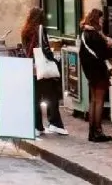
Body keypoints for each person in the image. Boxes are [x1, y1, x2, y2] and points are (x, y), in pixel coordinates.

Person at [22, 7, 68, 137]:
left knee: (36, 97)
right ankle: (55, 123)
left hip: (31, 67)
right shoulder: (40, 29)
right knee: (52, 96)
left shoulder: (25, 30)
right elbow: (45, 48)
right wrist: (53, 60)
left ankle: (37, 126)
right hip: (42, 66)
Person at [79, 8, 112, 143]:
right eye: (101, 19)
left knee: (93, 100)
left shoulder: (85, 33)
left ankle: (92, 132)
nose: (102, 21)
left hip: (90, 71)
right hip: (98, 70)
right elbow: (103, 53)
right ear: (96, 19)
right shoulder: (95, 35)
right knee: (99, 101)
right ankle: (98, 131)